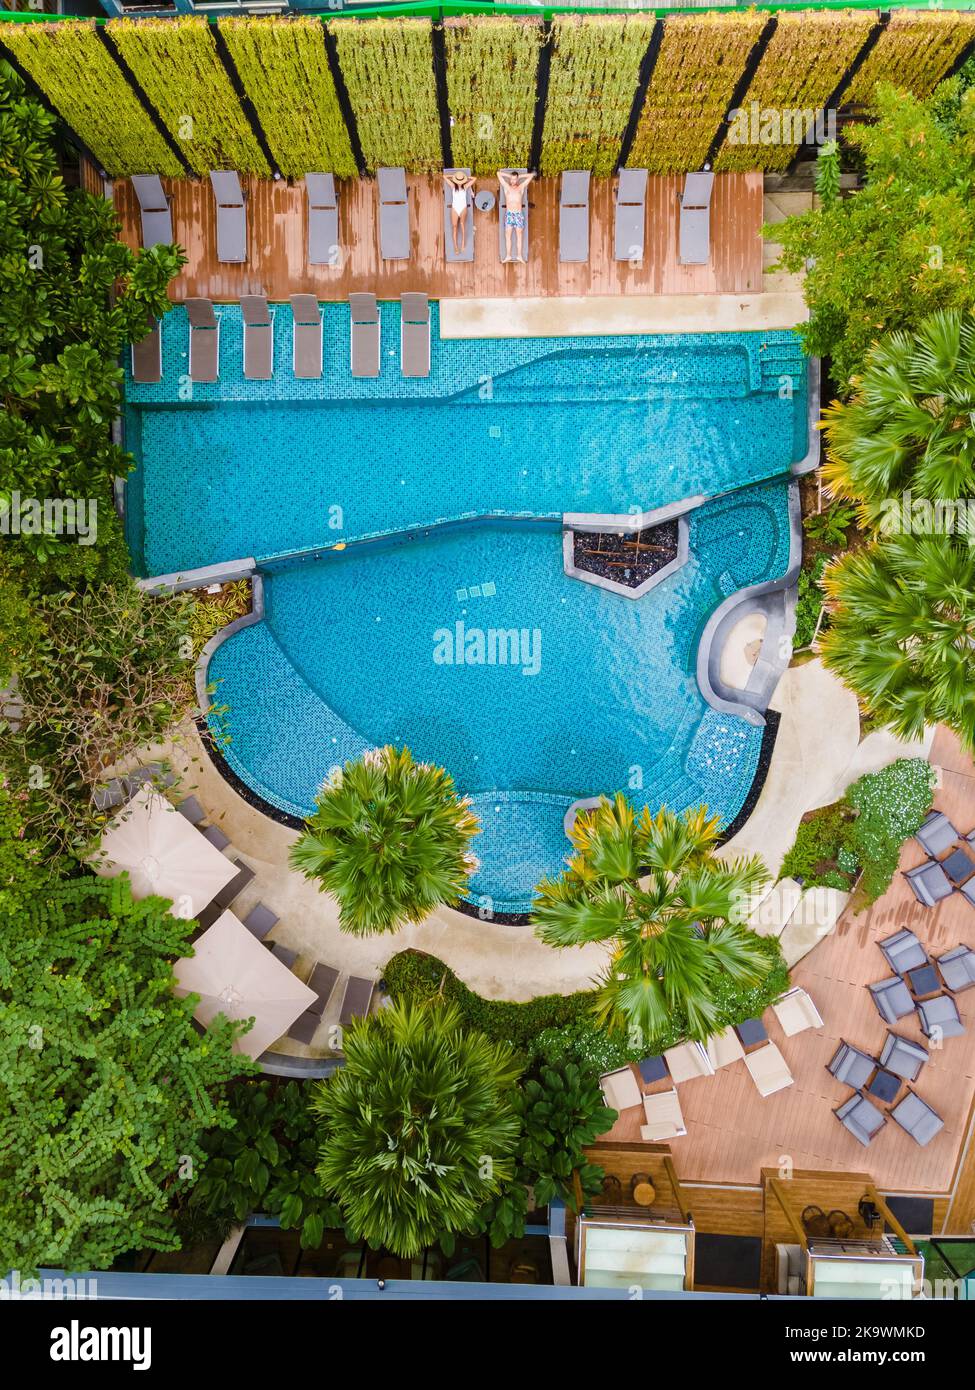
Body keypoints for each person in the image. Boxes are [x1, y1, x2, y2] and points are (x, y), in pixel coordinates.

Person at [498, 169, 535, 263]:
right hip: (509, 214)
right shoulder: (507, 187)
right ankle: (508, 256)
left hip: (518, 214)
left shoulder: (521, 187)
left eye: (515, 179)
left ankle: (519, 256)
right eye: (512, 179)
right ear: (510, 179)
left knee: (519, 236)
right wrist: (509, 176)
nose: (513, 181)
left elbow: (531, 175)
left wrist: (520, 177)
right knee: (508, 236)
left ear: (517, 179)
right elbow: (498, 173)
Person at [443, 170, 476, 255]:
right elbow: (444, 176)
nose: (460, 183)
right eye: (459, 181)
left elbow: (475, 179)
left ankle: (463, 242)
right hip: (455, 208)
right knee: (454, 227)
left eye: (461, 181)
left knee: (462, 224)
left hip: (463, 207)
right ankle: (455, 247)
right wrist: (453, 177)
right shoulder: (453, 186)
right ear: (456, 181)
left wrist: (466, 178)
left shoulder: (465, 186)